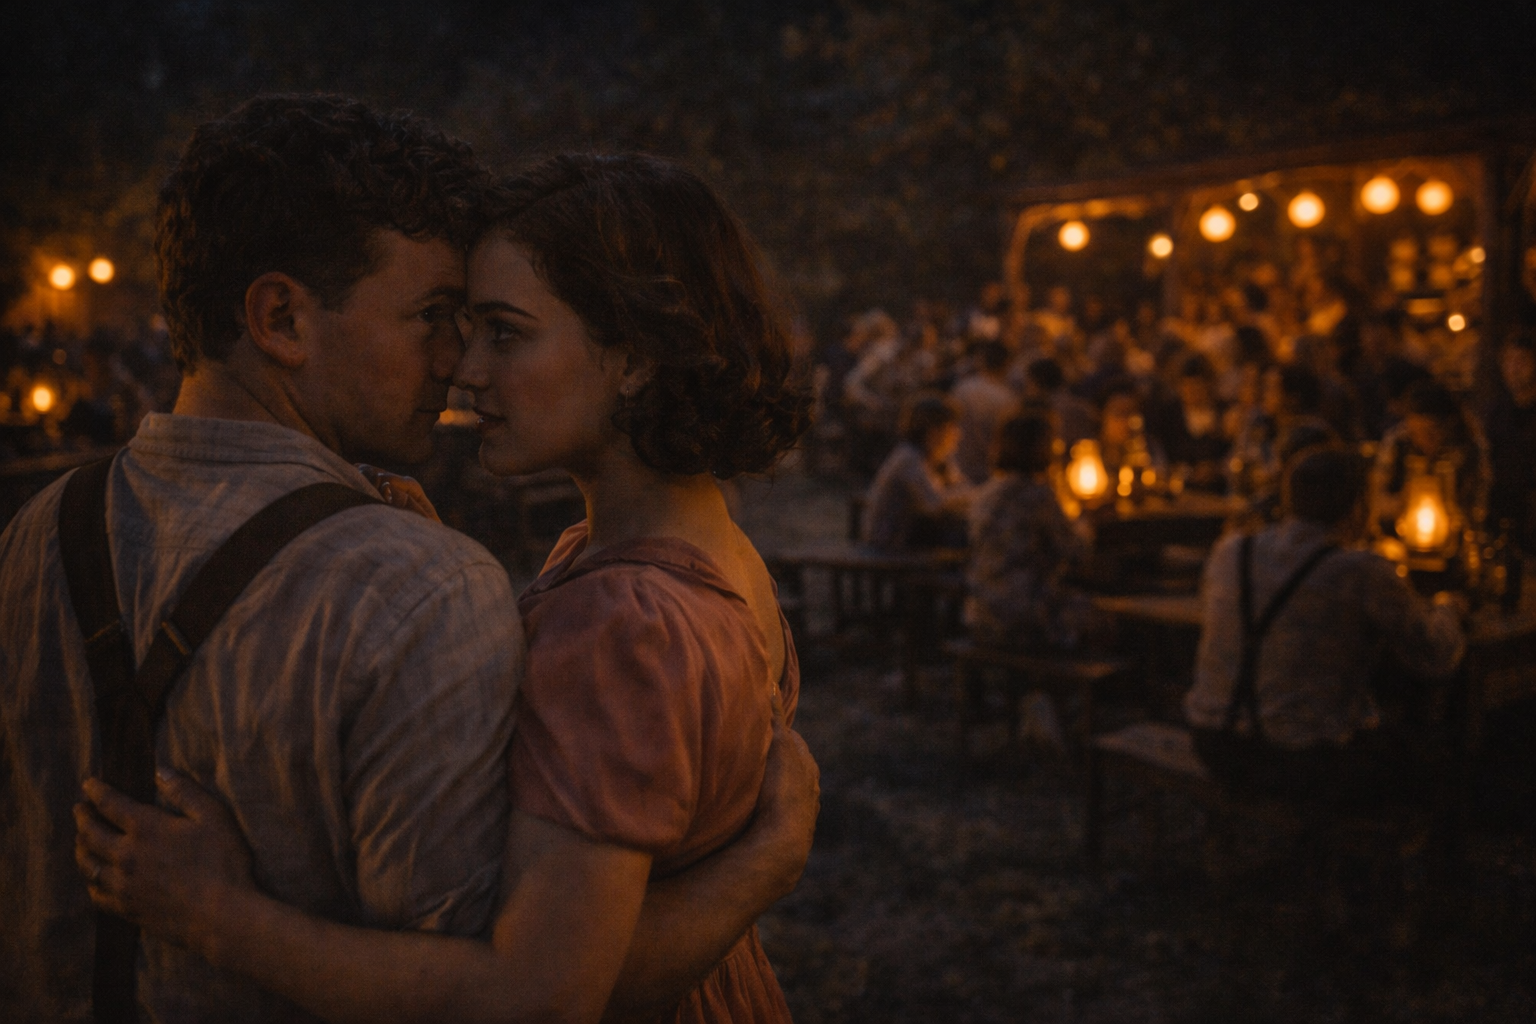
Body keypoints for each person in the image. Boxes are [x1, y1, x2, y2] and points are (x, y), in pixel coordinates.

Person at [2, 97, 816, 1022]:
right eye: (439, 317)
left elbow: (536, 990)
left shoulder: (36, 527)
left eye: (497, 329)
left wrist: (221, 916)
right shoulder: (676, 557)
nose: (459, 364)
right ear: (280, 318)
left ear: (633, 358)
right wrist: (762, 865)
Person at [1184, 445, 1466, 806]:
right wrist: (1449, 608)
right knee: (1434, 755)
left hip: (1215, 742)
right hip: (1302, 761)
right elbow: (1436, 656)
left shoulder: (1231, 550)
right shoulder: (1361, 570)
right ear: (1359, 507)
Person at [964, 413, 1098, 650]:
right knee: (1104, 618)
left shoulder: (987, 492)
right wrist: (1085, 522)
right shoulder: (1037, 496)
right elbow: (1076, 551)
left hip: (980, 612)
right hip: (1021, 617)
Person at [1370, 378, 1492, 535]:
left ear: (1447, 426)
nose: (1422, 441)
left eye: (1430, 434)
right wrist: (1404, 501)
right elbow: (1375, 499)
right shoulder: (1398, 443)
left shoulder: (1468, 449)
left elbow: (1479, 504)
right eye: (1415, 433)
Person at [862, 392, 972, 551]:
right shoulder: (909, 458)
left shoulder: (935, 458)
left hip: (909, 535)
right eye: (952, 428)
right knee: (963, 539)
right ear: (934, 431)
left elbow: (960, 487)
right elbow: (934, 504)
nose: (958, 435)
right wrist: (964, 496)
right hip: (890, 541)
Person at [1483, 328, 1536, 555]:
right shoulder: (1496, 413)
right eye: (1508, 361)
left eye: (1522, 361)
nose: (1514, 369)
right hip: (1502, 513)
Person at [950, 340, 1019, 484]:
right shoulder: (1007, 400)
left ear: (981, 361)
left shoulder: (962, 389)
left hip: (959, 468)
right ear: (1007, 364)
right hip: (991, 472)